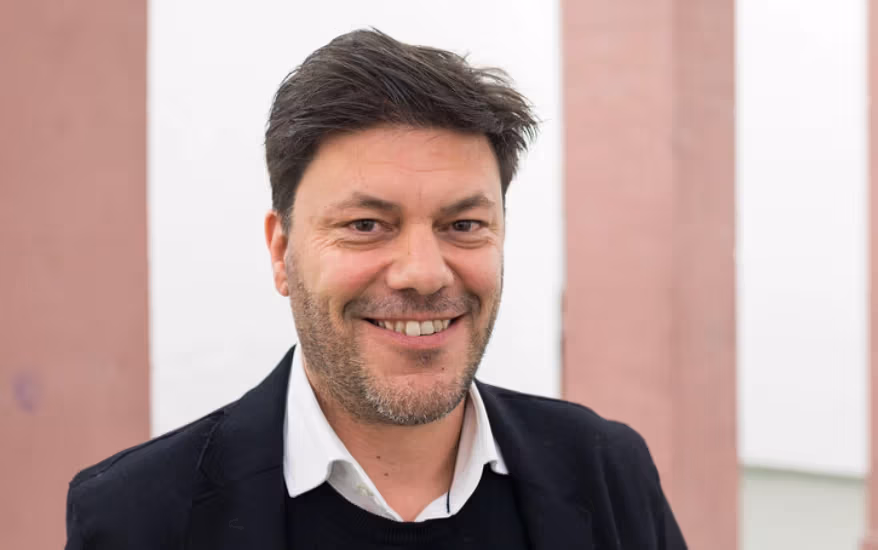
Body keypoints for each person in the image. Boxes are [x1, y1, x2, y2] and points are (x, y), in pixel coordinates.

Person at [65, 29, 686, 549]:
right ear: (282, 252)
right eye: (366, 226)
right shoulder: (138, 518)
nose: (423, 272)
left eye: (463, 225)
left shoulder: (606, 475)